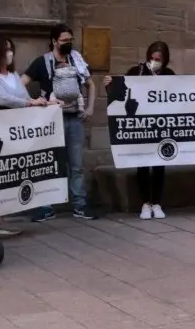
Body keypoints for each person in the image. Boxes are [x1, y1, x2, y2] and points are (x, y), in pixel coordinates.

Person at [0, 36, 50, 237]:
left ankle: (0, 217)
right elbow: (3, 98)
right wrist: (29, 104)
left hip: (14, 130)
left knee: (11, 170)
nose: (9, 53)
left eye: (11, 48)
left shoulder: (13, 74)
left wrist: (42, 102)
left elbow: (24, 97)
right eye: (5, 49)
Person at [22, 24, 97, 220]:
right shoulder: (42, 62)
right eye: (64, 40)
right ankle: (46, 207)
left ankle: (80, 205)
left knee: (76, 164)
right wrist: (33, 103)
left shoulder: (76, 60)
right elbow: (21, 83)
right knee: (49, 162)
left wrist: (89, 108)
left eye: (70, 40)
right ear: (54, 41)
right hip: (51, 119)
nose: (68, 44)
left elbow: (90, 84)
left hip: (73, 118)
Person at [103, 41, 173, 220]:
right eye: (152, 58)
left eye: (158, 59)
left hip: (160, 126)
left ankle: (157, 203)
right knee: (143, 165)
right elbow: (121, 92)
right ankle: (145, 203)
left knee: (159, 165)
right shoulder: (137, 72)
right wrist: (109, 84)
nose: (154, 61)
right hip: (141, 126)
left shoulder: (169, 74)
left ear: (164, 60)